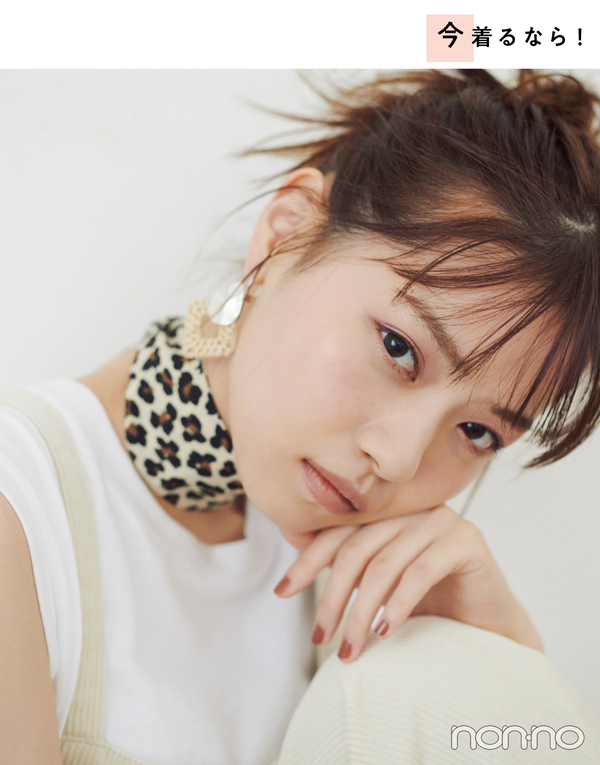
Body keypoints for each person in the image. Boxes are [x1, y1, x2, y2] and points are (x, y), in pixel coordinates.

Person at [1, 68, 600, 764]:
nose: (399, 459)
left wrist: (501, 650)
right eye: (399, 348)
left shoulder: (356, 573)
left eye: (477, 432)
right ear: (285, 233)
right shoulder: (24, 506)